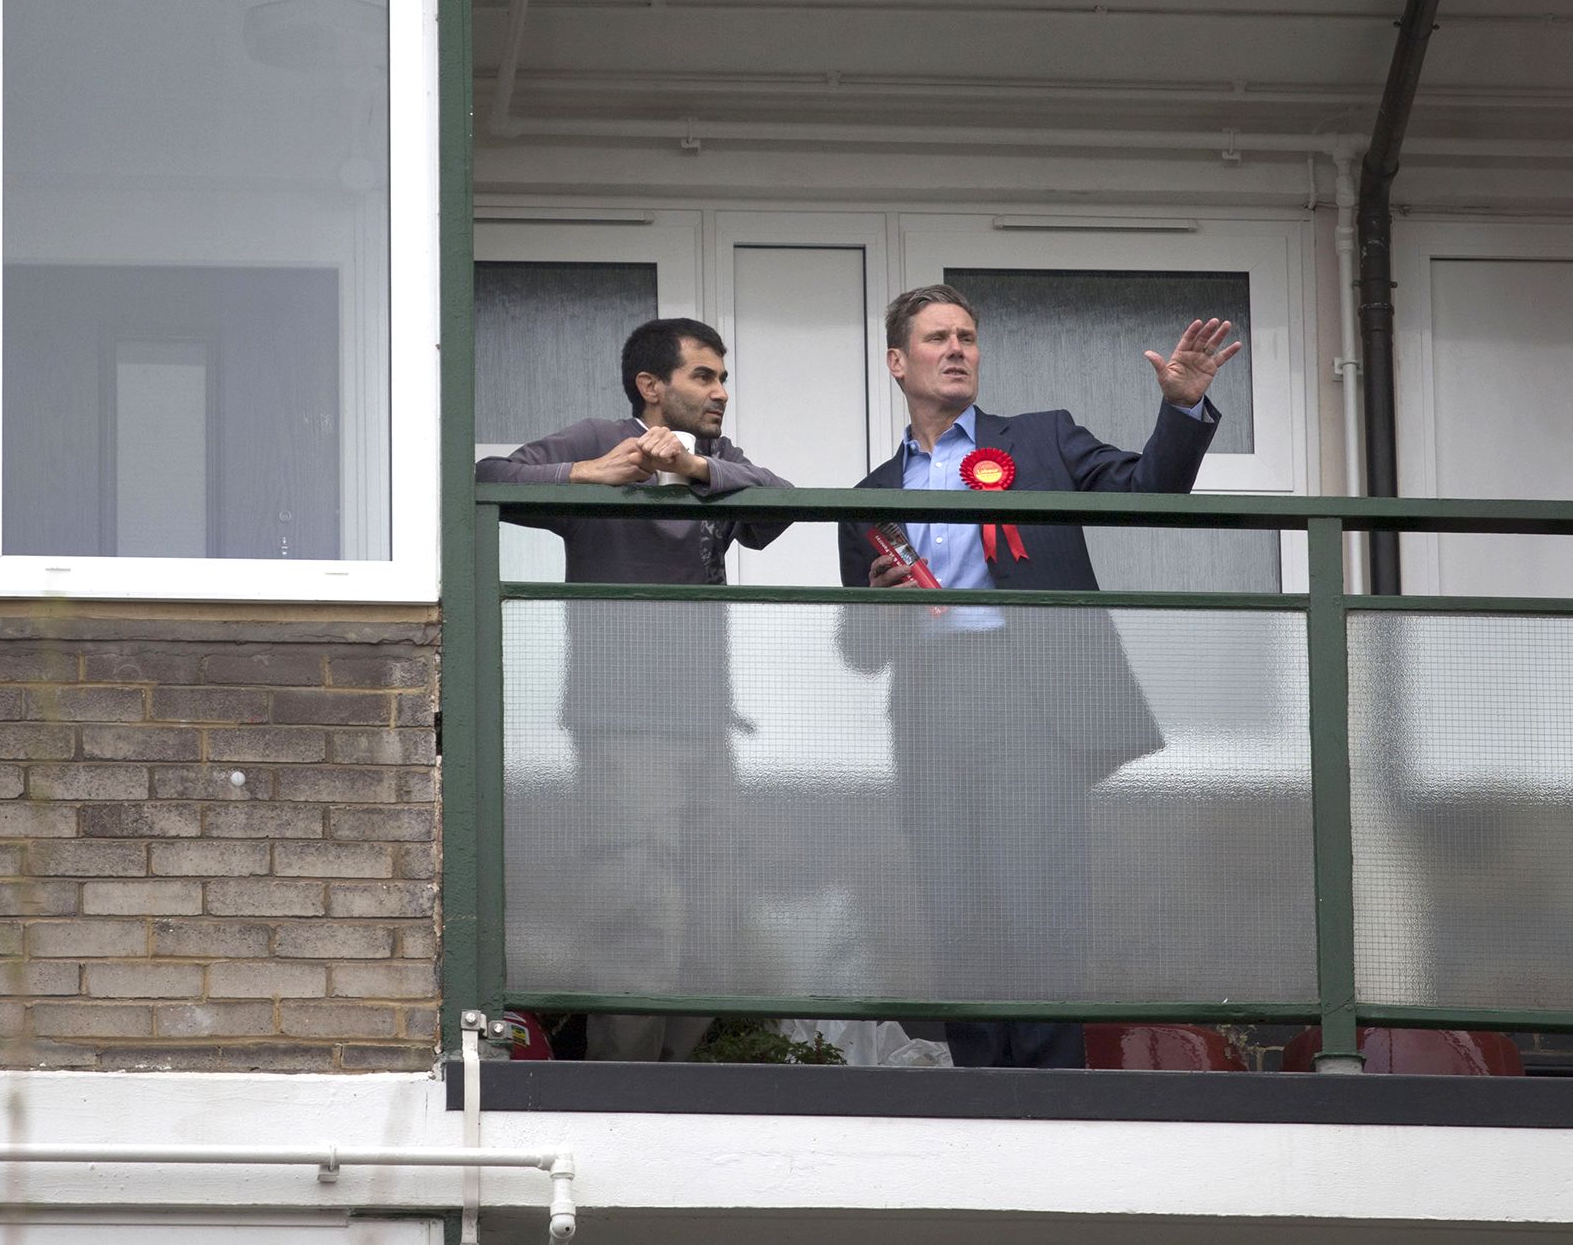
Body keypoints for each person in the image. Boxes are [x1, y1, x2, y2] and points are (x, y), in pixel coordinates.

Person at [837, 284, 1239, 1070]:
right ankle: (980, 1088)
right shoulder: (870, 496)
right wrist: (879, 606)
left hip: (1028, 696)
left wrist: (1182, 412)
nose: (957, 349)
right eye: (936, 338)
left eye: (968, 337)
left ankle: (1053, 1095)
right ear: (897, 361)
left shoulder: (1041, 439)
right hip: (929, 708)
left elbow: (1148, 492)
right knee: (956, 911)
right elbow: (859, 647)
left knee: (1039, 907)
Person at [477, 316, 792, 1061]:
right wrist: (587, 475)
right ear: (652, 386)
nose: (720, 392)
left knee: (713, 919)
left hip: (709, 726)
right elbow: (488, 476)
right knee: (638, 912)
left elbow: (782, 501)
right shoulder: (598, 433)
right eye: (703, 377)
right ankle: (622, 1088)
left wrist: (691, 468)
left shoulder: (716, 458)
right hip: (621, 724)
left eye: (722, 378)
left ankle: (674, 1083)